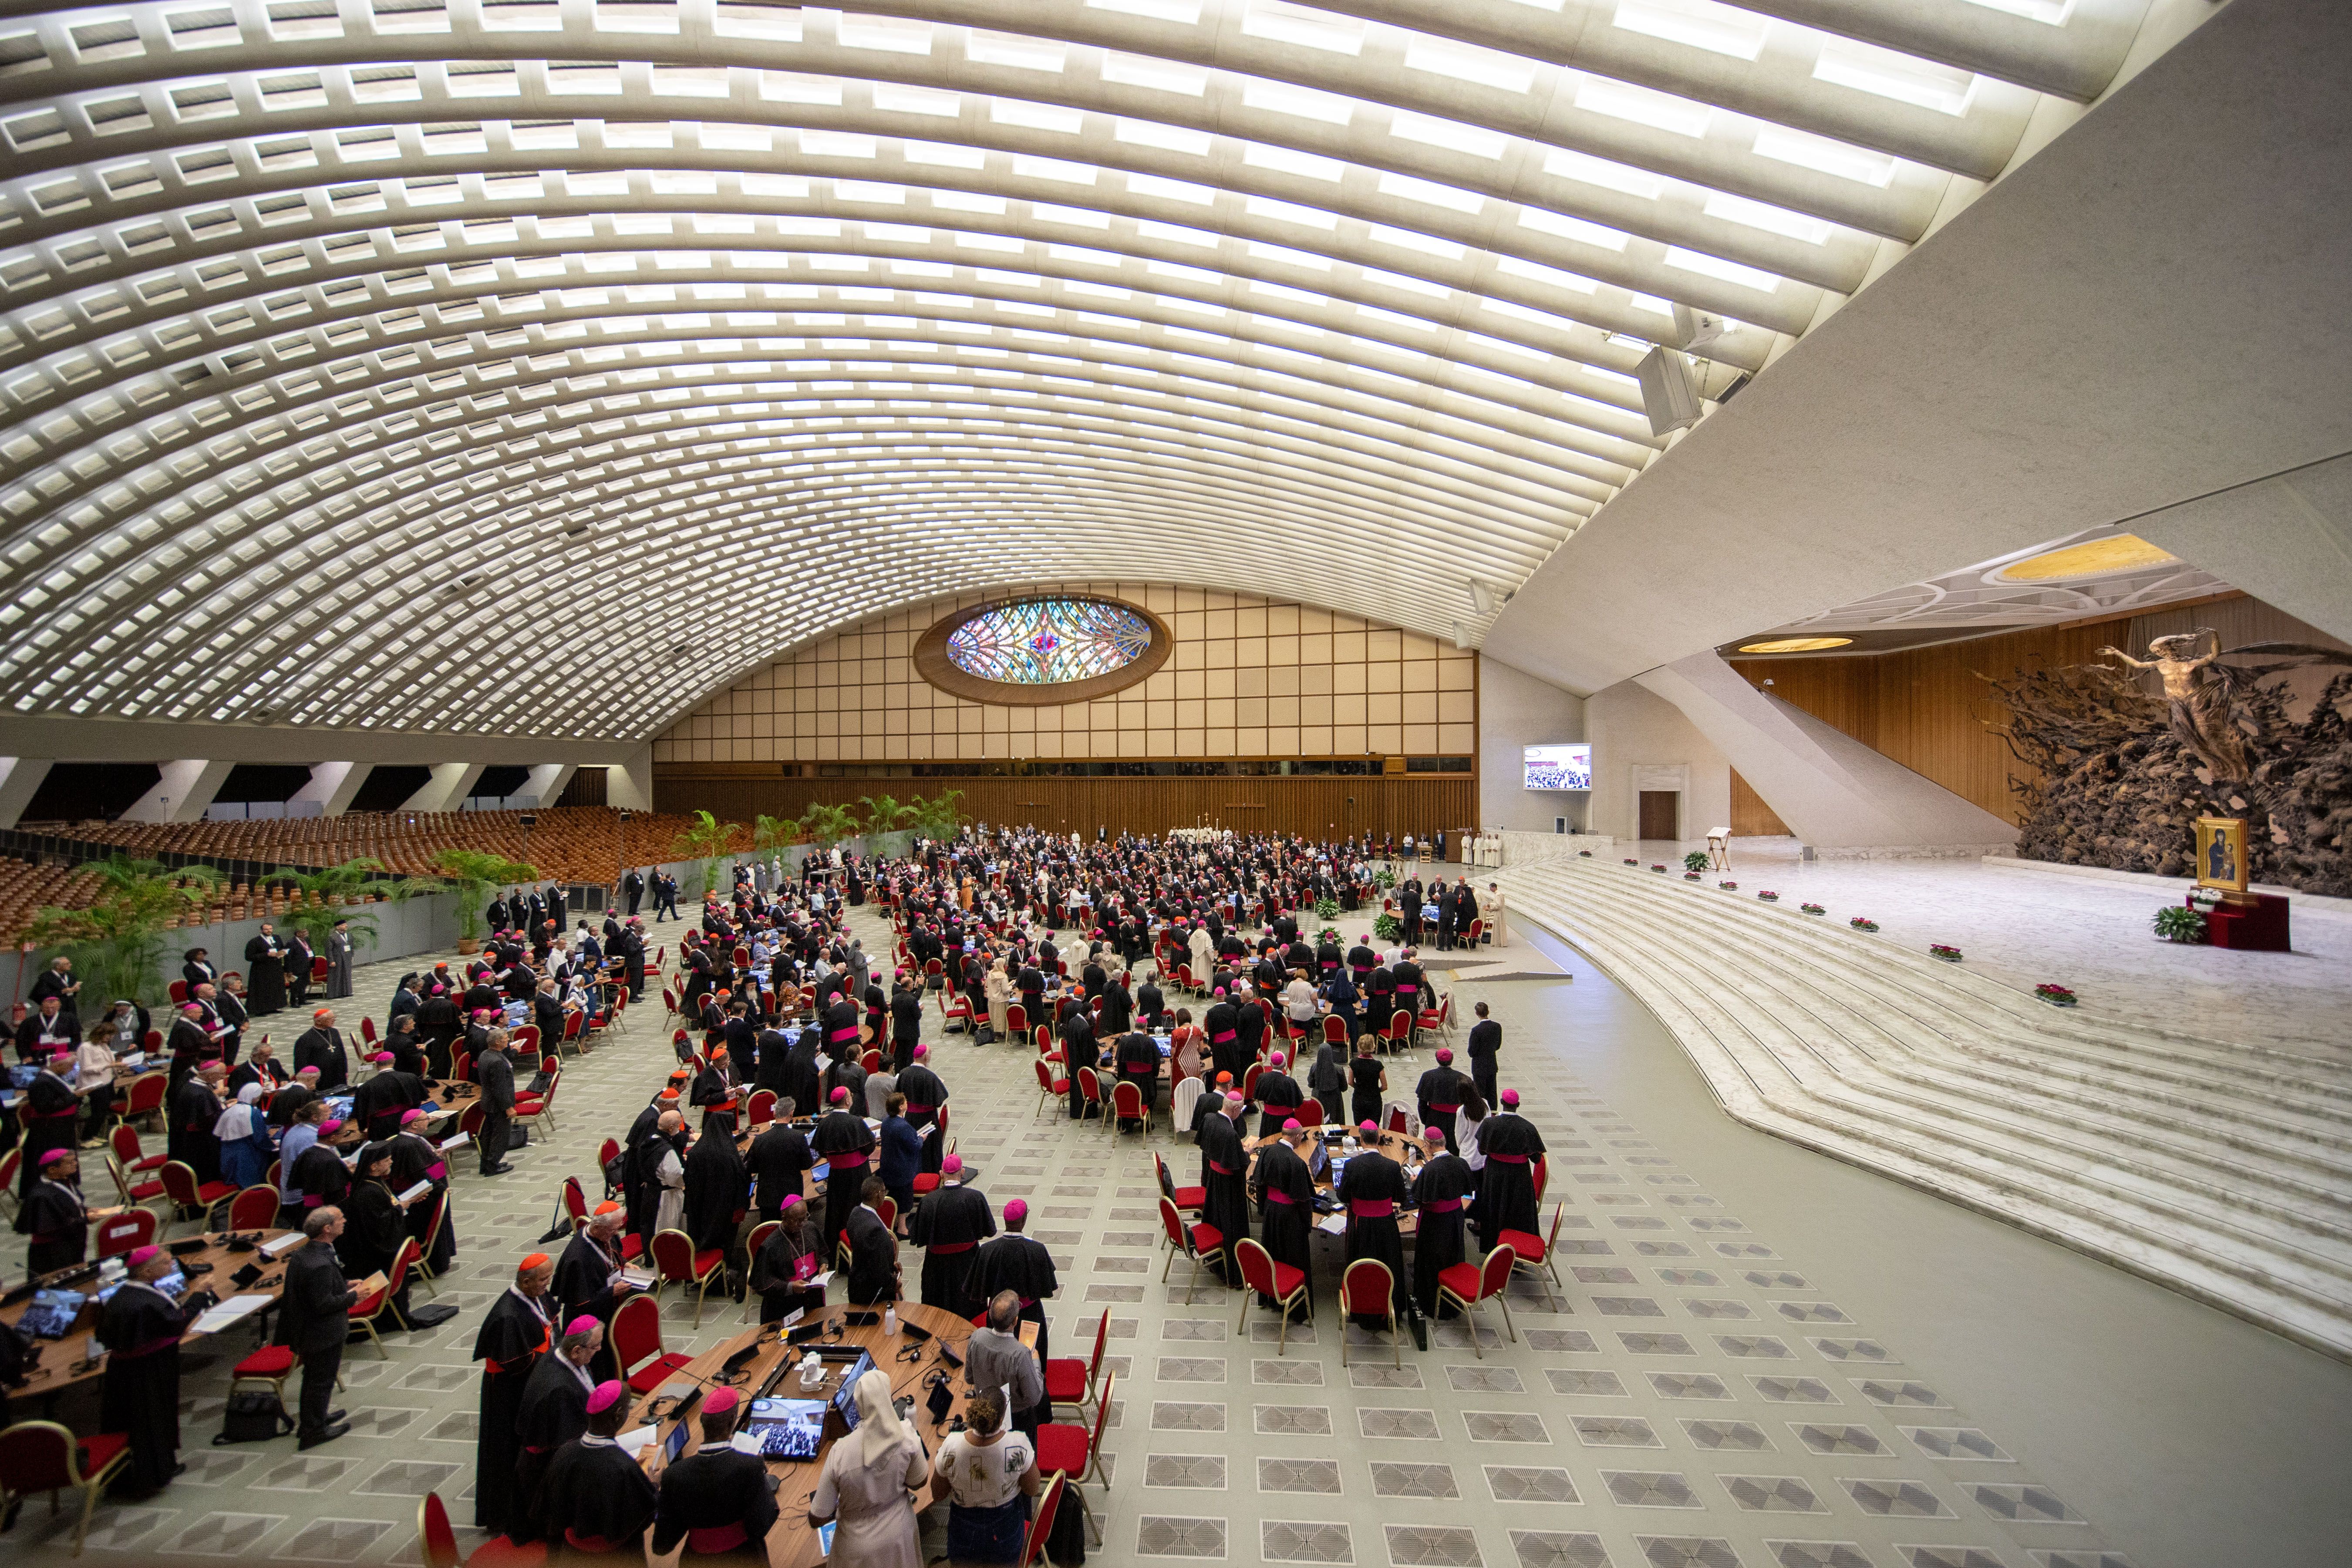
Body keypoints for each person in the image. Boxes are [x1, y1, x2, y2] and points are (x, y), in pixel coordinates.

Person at [98, 1244, 215, 1494]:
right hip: (147, 1370)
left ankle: (150, 1470)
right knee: (151, 1419)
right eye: (166, 1262)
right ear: (147, 1271)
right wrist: (199, 1295)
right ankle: (151, 1476)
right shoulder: (143, 1301)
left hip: (131, 1367)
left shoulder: (128, 1292)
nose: (172, 1265)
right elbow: (176, 1322)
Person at [808, 1369, 927, 1568]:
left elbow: (817, 1518)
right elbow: (919, 1482)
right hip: (899, 1536)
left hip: (856, 1548)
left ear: (858, 1406)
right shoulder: (906, 1435)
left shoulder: (840, 1451)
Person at [473, 1253, 557, 1536]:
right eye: (543, 1280)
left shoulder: (537, 1294)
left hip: (529, 1382)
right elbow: (516, 1361)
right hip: (507, 1392)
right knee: (507, 1449)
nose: (548, 1284)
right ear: (526, 1281)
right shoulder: (507, 1315)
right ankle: (505, 1513)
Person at [536, 1380, 660, 1554]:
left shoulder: (564, 1452)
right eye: (628, 1407)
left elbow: (549, 1506)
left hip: (571, 1551)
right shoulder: (623, 1466)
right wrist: (653, 1484)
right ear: (618, 1414)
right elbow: (644, 1515)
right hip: (617, 1554)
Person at [651, 1386, 778, 1554]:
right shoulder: (751, 1466)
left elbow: (661, 1547)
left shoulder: (673, 1475)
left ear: (702, 1423)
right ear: (732, 1421)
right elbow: (763, 1524)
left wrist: (656, 1489)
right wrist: (759, 1473)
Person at [511, 1315, 602, 1545]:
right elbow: (570, 1448)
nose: (599, 1350)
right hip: (545, 1471)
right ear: (577, 1351)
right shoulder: (560, 1390)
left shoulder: (560, 1353)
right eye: (596, 1346)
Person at [276, 1206, 357, 1448]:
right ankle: (313, 1431)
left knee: (316, 1378)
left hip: (310, 1330)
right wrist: (354, 1296)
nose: (345, 1220)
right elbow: (323, 1304)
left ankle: (315, 1418)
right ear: (327, 1229)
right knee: (320, 1380)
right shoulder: (320, 1263)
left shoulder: (305, 1253)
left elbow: (317, 1289)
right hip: (322, 1332)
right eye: (341, 1218)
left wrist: (344, 1284)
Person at [930, 1386, 1040, 1565]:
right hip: (1006, 1528)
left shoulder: (951, 1445)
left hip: (964, 1530)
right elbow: (1033, 1489)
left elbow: (938, 1494)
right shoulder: (1018, 1445)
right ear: (1002, 1419)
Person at [1338, 1121, 1410, 1322]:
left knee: (1361, 1264)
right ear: (1378, 1139)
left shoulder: (1351, 1165)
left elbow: (1343, 1196)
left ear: (1361, 1140)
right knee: (1388, 1262)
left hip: (1360, 1224)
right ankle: (1390, 1306)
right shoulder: (1392, 1166)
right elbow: (1401, 1197)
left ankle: (1360, 1307)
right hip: (1386, 1224)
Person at [970, 1200, 1058, 1362]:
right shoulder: (1037, 1250)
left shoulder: (987, 1250)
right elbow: (1048, 1286)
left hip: (998, 1315)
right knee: (1030, 1361)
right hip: (1029, 1315)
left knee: (998, 1359)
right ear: (1024, 1220)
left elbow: (979, 1286)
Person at [907, 1153, 994, 1315]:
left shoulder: (929, 1201)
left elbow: (917, 1236)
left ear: (941, 1174)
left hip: (936, 1266)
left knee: (937, 1310)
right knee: (968, 1307)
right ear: (962, 1172)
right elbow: (989, 1231)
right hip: (967, 1263)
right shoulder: (975, 1198)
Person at [1250, 1120, 1314, 1320]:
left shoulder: (1267, 1152)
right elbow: (1303, 1200)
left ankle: (1271, 1295)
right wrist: (1307, 1224)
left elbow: (1259, 1183)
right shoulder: (1297, 1163)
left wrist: (1263, 1209)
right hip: (1291, 1217)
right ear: (1297, 1137)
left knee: (1272, 1252)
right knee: (1294, 1257)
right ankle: (1296, 1307)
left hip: (1271, 1210)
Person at [965, 1288, 1048, 1439]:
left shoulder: (977, 1337)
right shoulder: (1020, 1353)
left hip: (983, 1416)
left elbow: (969, 1378)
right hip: (1018, 1423)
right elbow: (1035, 1397)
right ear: (1015, 1321)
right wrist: (1036, 1362)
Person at [1409, 1139, 1475, 1319]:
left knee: (1432, 1259)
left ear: (1429, 1146)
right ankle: (1454, 1296)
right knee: (1452, 1255)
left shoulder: (1430, 1169)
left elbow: (1419, 1198)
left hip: (1435, 1222)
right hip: (1455, 1217)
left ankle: (1430, 1303)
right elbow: (1468, 1189)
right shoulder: (1461, 1162)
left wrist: (1415, 1182)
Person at [1472, 1090, 1547, 1245]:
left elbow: (1482, 1150)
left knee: (1494, 1207)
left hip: (1495, 1174)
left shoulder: (1489, 1124)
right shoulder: (1528, 1127)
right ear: (1518, 1105)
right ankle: (1518, 1246)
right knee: (1517, 1212)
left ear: (1501, 1102)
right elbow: (1536, 1158)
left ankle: (1492, 1245)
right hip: (1520, 1176)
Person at [812, 1086, 876, 1249]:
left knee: (837, 1210)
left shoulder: (824, 1123)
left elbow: (821, 1151)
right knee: (856, 1209)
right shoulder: (855, 1122)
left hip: (836, 1174)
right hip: (857, 1174)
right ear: (847, 1101)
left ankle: (836, 1246)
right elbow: (869, 1147)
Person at [748, 1194, 826, 1324]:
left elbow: (822, 1253)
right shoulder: (770, 1245)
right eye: (797, 1220)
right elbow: (760, 1284)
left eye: (805, 1217)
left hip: (813, 1299)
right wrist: (790, 1287)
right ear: (784, 1218)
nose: (802, 1224)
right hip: (786, 1305)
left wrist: (823, 1264)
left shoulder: (811, 1228)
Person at [1196, 1092, 1249, 1281]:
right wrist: (1246, 1153)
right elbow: (1239, 1167)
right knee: (1230, 1224)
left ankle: (1214, 1259)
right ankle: (1232, 1271)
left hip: (1213, 1178)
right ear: (1235, 1109)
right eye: (1240, 1110)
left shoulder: (1209, 1119)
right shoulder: (1230, 1133)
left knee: (1216, 1218)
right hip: (1229, 1186)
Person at [16, 1049, 81, 1200]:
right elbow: (45, 1107)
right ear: (58, 1066)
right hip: (49, 1130)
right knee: (52, 1162)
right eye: (70, 1066)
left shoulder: (54, 1078)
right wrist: (74, 1097)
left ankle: (66, 1185)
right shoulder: (41, 1083)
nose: (72, 1070)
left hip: (60, 1127)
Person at [16, 1147, 87, 1275]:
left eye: (75, 1160)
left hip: (71, 1243)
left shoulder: (66, 1181)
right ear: (53, 1170)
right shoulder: (41, 1196)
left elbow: (70, 1206)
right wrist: (86, 1219)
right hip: (54, 1251)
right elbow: (52, 1225)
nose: (76, 1164)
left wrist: (87, 1211)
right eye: (70, 1162)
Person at [168, 1061, 227, 1186]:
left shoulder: (195, 1085)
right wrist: (227, 1112)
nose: (223, 1078)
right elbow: (209, 1120)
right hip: (200, 1142)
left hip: (192, 1138)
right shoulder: (199, 1093)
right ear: (210, 1075)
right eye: (221, 1075)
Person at [845, 1175, 900, 1305]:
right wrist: (893, 1283)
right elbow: (877, 1266)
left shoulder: (856, 1212)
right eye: (884, 1191)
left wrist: (890, 1263)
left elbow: (868, 1253)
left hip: (857, 1281)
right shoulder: (875, 1229)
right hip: (872, 1292)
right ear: (879, 1194)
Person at [213, 1082, 275, 1190]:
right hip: (247, 1155)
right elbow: (260, 1138)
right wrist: (272, 1146)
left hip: (228, 1154)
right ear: (255, 1097)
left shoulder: (228, 1111)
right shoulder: (253, 1113)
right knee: (252, 1185)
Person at [1415, 1047, 1475, 1155]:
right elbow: (1470, 1102)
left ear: (1437, 1060)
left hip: (1434, 1117)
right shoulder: (1463, 1078)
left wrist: (1426, 1120)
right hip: (1456, 1118)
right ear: (1452, 1060)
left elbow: (1422, 1104)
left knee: (1434, 1148)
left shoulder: (1428, 1076)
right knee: (1455, 1147)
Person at [476, 1028, 516, 1177]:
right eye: (506, 1038)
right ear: (498, 1042)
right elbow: (500, 1088)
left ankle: (486, 1164)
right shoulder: (497, 1061)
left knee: (488, 1135)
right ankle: (492, 1166)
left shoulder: (485, 1054)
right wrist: (508, 1107)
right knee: (500, 1137)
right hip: (498, 1105)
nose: (508, 1040)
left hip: (488, 1102)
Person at [293, 1008, 351, 1093]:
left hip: (338, 1074)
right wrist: (306, 1081)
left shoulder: (334, 1032)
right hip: (321, 1079)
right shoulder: (305, 1039)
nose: (334, 1020)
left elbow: (342, 1053)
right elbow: (301, 1063)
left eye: (334, 1018)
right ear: (319, 1021)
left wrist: (345, 1070)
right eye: (331, 1019)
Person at [244, 924, 287, 1015]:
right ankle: (260, 1010)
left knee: (275, 988)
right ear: (262, 931)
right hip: (261, 970)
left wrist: (282, 952)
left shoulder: (277, 938)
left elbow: (281, 948)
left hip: (276, 968)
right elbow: (249, 957)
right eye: (266, 929)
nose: (269, 931)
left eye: (271, 929)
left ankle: (273, 1007)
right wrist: (266, 955)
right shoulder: (255, 942)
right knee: (262, 990)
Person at [1466, 1001, 1501, 1107]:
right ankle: (1493, 1111)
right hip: (1492, 1063)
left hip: (1479, 1066)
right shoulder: (1497, 1026)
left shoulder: (1476, 1030)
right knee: (1492, 1091)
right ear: (1488, 1012)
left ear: (1477, 1014)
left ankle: (1481, 1112)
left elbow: (1472, 1051)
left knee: (1480, 1092)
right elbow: (1498, 1045)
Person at [1348, 1035, 1386, 1128]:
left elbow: (1350, 1082)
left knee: (1359, 1128)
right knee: (1373, 1129)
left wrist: (1359, 1088)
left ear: (1359, 1046)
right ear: (1373, 1047)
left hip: (1359, 1099)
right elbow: (1385, 1086)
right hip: (1374, 1100)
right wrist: (1376, 1090)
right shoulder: (1378, 1065)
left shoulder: (1354, 1063)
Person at [327, 919, 355, 999]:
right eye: (343, 925)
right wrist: (331, 960)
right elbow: (329, 950)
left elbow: (352, 947)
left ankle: (347, 992)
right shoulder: (332, 937)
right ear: (338, 927)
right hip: (337, 959)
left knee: (347, 975)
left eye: (346, 924)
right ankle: (336, 994)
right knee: (337, 976)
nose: (346, 926)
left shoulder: (349, 935)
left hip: (347, 958)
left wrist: (352, 956)